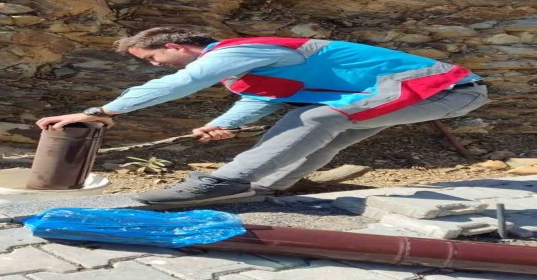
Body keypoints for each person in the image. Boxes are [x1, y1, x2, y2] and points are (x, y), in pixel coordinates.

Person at [36, 27, 488, 206]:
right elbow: (259, 101)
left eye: (153, 58)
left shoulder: (236, 52)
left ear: (176, 45)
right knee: (329, 126)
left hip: (444, 87)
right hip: (436, 93)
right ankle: (269, 188)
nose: (154, 66)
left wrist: (102, 111)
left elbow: (182, 82)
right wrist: (225, 124)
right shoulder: (243, 71)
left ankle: (222, 183)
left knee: (319, 119)